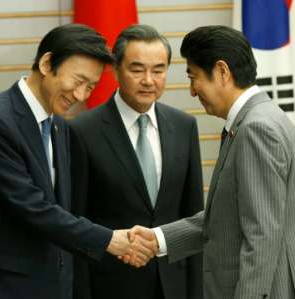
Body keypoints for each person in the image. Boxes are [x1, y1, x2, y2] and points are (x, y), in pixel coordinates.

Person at [0, 24, 153, 299]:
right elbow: (32, 208)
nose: (81, 96)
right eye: (78, 81)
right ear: (47, 63)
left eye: (91, 87)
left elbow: (61, 211)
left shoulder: (58, 127)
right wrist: (109, 240)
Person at [128, 25, 295, 299]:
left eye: (194, 78)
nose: (193, 91)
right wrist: (159, 238)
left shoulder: (256, 129)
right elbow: (229, 217)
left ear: (222, 72)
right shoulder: (258, 119)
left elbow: (262, 235)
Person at [69, 24, 203, 299]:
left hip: (173, 285)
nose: (148, 80)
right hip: (110, 285)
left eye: (158, 70)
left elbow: (193, 216)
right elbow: (74, 220)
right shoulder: (82, 131)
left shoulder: (184, 126)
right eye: (137, 69)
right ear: (116, 69)